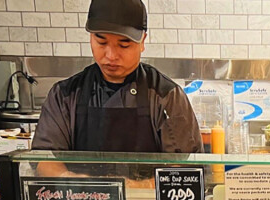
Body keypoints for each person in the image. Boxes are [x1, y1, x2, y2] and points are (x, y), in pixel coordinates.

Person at [31, 0, 202, 173]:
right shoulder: (64, 96)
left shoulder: (166, 96)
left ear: (142, 41)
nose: (111, 55)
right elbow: (43, 161)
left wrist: (134, 189)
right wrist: (80, 185)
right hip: (82, 199)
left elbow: (186, 168)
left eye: (123, 44)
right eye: (101, 42)